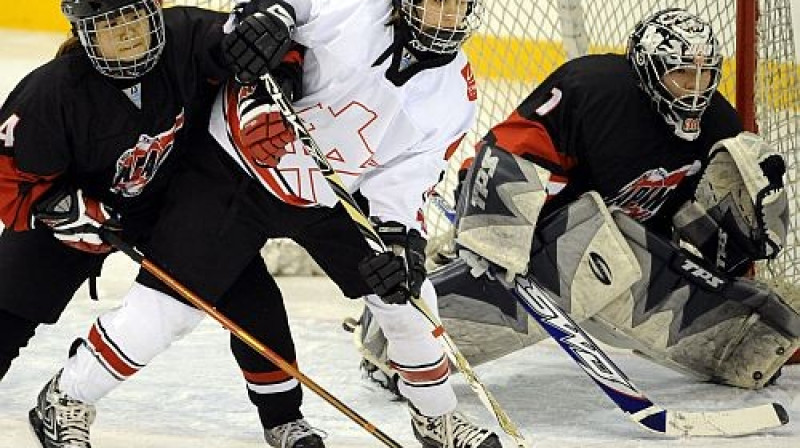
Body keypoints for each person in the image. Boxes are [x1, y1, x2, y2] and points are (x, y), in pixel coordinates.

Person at [32, 1, 504, 447]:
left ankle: (436, 416)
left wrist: (400, 238)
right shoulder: (352, 9)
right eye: (434, 1)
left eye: (458, 4)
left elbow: (407, 177)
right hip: (231, 168)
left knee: (408, 297)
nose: (445, 15)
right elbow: (278, 11)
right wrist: (270, 18)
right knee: (166, 310)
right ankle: (66, 397)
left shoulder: (454, 93)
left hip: (332, 194)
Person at [355, 7, 800, 396]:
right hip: (535, 219)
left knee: (751, 326)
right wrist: (498, 232)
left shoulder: (718, 121)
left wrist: (737, 245)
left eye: (705, 74)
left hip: (620, 243)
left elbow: (692, 216)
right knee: (534, 278)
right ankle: (391, 342)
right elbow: (511, 148)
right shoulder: (596, 89)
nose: (695, 89)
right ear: (647, 68)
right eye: (681, 73)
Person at [0, 0, 302, 445]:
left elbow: (273, 46)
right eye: (108, 24)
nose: (125, 32)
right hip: (88, 212)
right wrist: (59, 208)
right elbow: (8, 181)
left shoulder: (189, 36)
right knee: (8, 307)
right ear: (85, 32)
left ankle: (283, 419)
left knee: (255, 306)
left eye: (132, 15)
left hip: (182, 207)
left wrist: (279, 82)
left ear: (154, 10)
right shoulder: (52, 92)